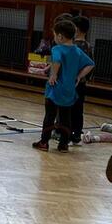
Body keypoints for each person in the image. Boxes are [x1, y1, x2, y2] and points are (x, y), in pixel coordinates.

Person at [32, 18, 94, 153]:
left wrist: (53, 75)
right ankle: (63, 144)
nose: (54, 38)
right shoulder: (77, 50)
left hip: (55, 89)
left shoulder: (57, 48)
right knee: (66, 117)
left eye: (55, 35)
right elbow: (90, 64)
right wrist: (79, 76)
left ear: (60, 36)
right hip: (69, 89)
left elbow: (57, 61)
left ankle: (44, 142)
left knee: (50, 115)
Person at [69, 14, 93, 145]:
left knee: (68, 109)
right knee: (78, 110)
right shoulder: (88, 45)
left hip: (71, 83)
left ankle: (65, 133)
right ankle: (77, 134)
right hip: (82, 84)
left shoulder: (73, 46)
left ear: (76, 29)